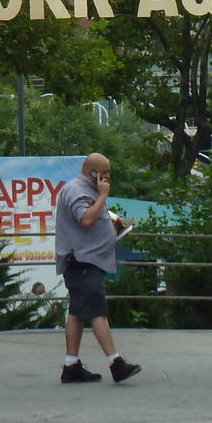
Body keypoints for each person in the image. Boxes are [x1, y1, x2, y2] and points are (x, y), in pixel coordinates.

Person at [53, 153, 141, 384]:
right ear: (92, 173)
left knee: (77, 313)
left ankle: (71, 365)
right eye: (104, 173)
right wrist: (103, 196)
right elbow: (84, 218)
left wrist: (114, 222)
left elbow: (95, 213)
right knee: (97, 312)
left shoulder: (87, 190)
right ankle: (116, 363)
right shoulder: (76, 190)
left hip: (87, 261)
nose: (108, 177)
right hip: (82, 261)